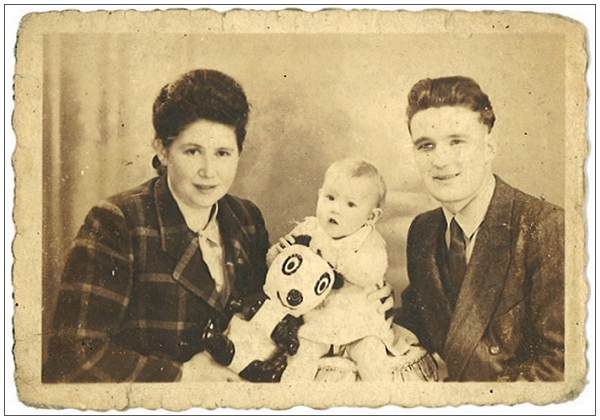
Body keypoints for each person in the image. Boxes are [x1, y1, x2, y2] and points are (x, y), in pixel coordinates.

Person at [44, 69, 280, 382]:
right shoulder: (117, 221)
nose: (209, 171)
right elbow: (73, 357)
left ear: (239, 152)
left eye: (223, 153)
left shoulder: (247, 220)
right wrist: (180, 377)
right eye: (192, 151)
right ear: (162, 149)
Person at [394, 76, 565, 381]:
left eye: (457, 141)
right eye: (426, 146)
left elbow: (562, 366)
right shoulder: (423, 230)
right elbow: (420, 320)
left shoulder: (546, 227)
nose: (441, 160)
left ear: (489, 148)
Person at [270, 158, 433, 382]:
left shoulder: (368, 240)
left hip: (360, 327)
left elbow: (370, 273)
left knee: (372, 358)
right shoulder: (309, 230)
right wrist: (279, 253)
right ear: (319, 195)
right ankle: (289, 405)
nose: (335, 209)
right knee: (301, 358)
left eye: (350, 205)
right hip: (317, 323)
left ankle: (382, 404)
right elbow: (279, 271)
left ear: (371, 216)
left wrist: (335, 258)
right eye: (330, 198)